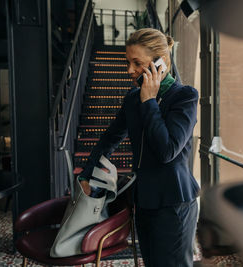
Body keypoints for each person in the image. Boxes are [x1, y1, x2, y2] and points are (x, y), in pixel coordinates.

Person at [79, 28, 200, 266]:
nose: (130, 70)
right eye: (128, 62)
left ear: (160, 62)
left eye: (137, 63)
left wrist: (149, 102)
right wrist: (86, 174)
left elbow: (167, 151)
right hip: (143, 201)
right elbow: (109, 138)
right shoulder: (133, 99)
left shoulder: (184, 97)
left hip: (173, 204)